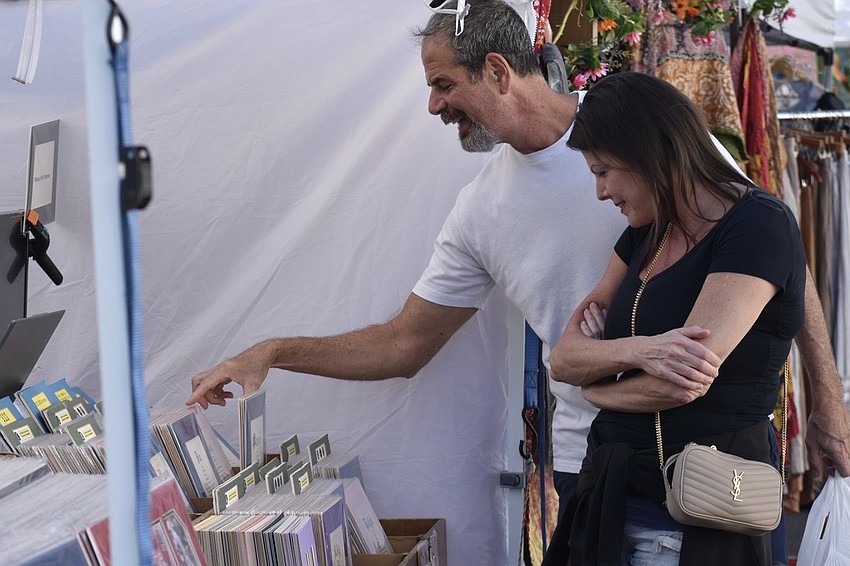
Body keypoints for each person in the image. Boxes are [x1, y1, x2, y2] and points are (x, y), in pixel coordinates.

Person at [187, 0, 850, 545]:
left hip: (707, 456)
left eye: (444, 84)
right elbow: (403, 344)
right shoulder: (480, 211)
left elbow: (772, 253)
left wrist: (827, 400)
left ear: (498, 71)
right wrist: (273, 352)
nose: (434, 106)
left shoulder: (644, 134)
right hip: (590, 462)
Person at [544, 70, 806, 565]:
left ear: (648, 151)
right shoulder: (649, 232)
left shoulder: (757, 225)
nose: (600, 192)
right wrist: (643, 351)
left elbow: (680, 383)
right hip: (613, 506)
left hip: (698, 517)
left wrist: (596, 390)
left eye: (603, 171)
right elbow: (564, 359)